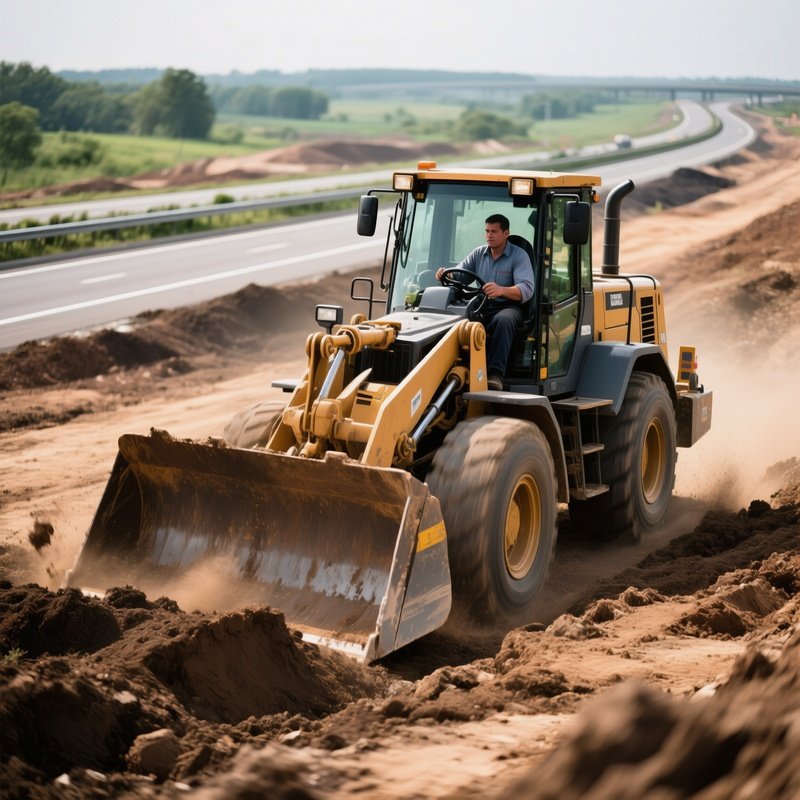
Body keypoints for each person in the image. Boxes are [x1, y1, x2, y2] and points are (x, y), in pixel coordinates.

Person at [436, 214, 534, 390]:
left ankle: (495, 374)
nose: (489, 235)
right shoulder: (478, 254)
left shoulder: (519, 256)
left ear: (506, 233)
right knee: (460, 317)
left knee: (503, 320)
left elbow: (526, 289)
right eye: (487, 231)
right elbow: (460, 275)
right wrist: (447, 274)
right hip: (483, 304)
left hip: (509, 306)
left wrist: (501, 290)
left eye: (494, 231)